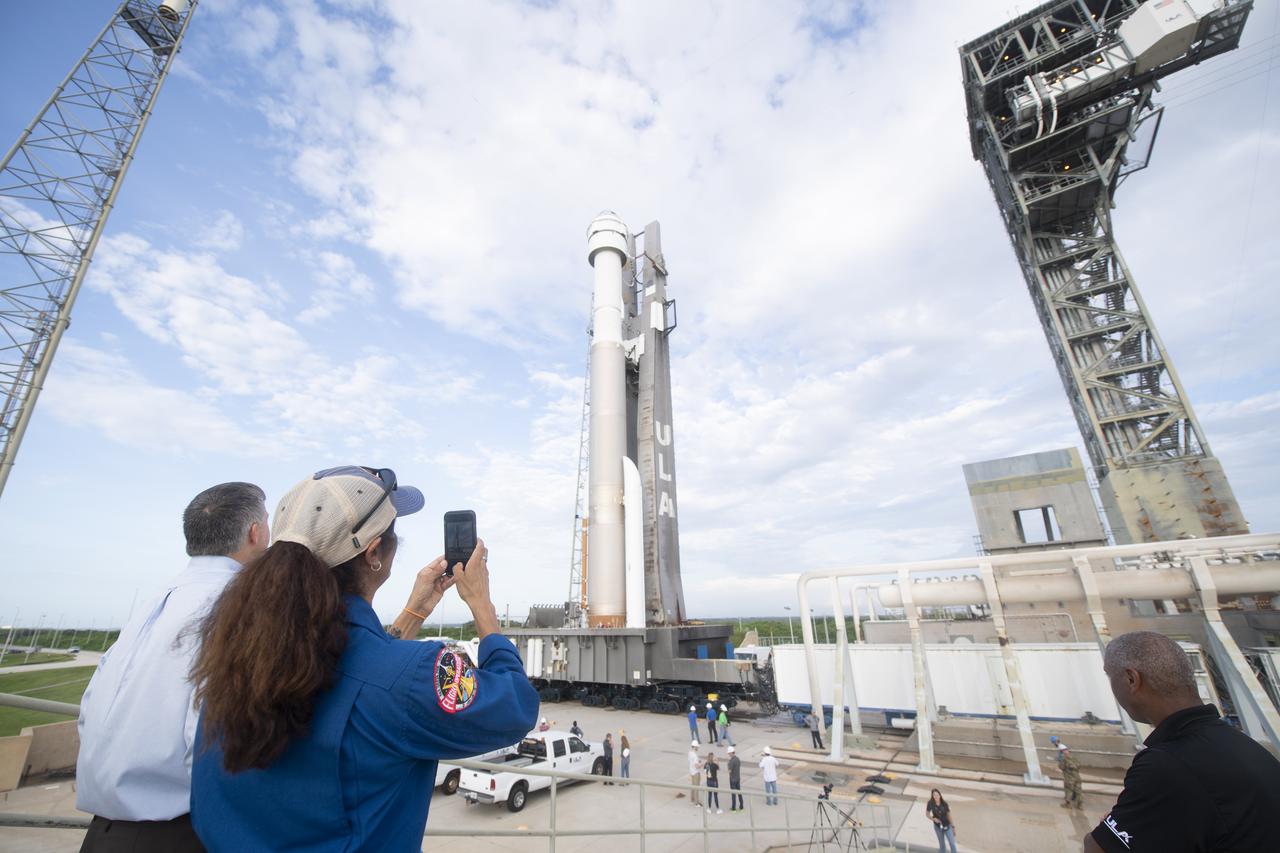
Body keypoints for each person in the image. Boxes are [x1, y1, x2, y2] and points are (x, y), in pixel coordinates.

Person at [188, 466, 539, 851]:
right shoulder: (415, 673)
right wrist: (482, 607)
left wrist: (414, 613)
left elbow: (361, 670)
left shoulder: (238, 652)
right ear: (374, 553)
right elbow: (515, 708)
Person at [77, 482, 269, 853]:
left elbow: (89, 709)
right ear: (255, 533)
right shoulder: (237, 606)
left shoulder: (154, 604)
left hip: (104, 834)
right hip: (181, 834)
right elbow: (215, 738)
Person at [1085, 631, 1280, 853]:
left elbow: (1097, 848)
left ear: (1131, 679)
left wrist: (1106, 828)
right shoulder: (1243, 745)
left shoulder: (1167, 764)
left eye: (1109, 676)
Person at [925, 788, 957, 853]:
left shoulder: (944, 804)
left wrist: (953, 827)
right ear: (932, 796)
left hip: (947, 826)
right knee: (942, 845)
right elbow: (927, 814)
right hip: (938, 827)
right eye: (934, 795)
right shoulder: (930, 803)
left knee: (952, 843)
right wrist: (933, 819)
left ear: (940, 795)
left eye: (937, 795)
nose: (936, 796)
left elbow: (949, 816)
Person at [727, 745, 744, 812]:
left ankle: (733, 808)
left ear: (731, 753)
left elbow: (729, 771)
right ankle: (741, 806)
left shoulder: (731, 761)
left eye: (729, 753)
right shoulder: (738, 759)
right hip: (738, 778)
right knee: (739, 792)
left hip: (732, 779)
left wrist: (728, 765)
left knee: (733, 794)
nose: (728, 754)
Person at [687, 740, 704, 806]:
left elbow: (690, 761)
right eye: (697, 747)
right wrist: (702, 764)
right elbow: (697, 766)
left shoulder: (690, 753)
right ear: (695, 747)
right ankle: (696, 802)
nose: (698, 748)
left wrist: (697, 761)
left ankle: (692, 799)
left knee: (693, 786)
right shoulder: (695, 755)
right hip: (696, 772)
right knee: (697, 787)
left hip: (691, 771)